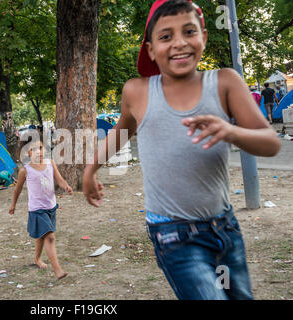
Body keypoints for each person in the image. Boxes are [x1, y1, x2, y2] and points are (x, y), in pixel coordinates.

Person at [83, 0, 281, 300]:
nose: (179, 43)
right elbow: (120, 132)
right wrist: (90, 169)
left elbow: (271, 142)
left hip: (224, 228)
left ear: (203, 34)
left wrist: (231, 131)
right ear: (150, 49)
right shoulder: (137, 91)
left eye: (189, 31)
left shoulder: (225, 82)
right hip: (173, 235)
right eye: (165, 36)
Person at [8, 136, 72, 280]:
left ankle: (37, 259)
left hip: (51, 207)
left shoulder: (51, 163)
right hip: (37, 209)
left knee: (41, 235)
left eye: (41, 148)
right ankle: (58, 270)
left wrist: (66, 186)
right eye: (33, 149)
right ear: (28, 153)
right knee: (49, 236)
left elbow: (59, 179)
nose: (38, 152)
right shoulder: (26, 170)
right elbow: (17, 189)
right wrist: (13, 204)